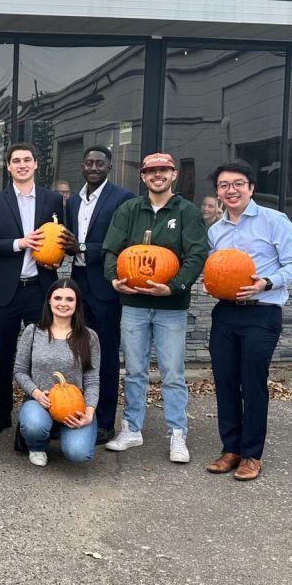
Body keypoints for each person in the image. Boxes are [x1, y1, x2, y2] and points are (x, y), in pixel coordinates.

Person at [102, 153, 208, 463]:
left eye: (163, 170)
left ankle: (177, 433)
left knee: (172, 372)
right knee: (134, 370)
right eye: (151, 171)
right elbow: (112, 249)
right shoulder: (130, 210)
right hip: (133, 304)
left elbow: (196, 255)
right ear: (143, 177)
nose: (157, 175)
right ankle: (132, 428)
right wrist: (113, 279)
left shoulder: (187, 212)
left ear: (173, 174)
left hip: (170, 306)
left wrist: (174, 287)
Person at [206, 161, 292, 481]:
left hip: (262, 311)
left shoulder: (274, 221)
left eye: (238, 184)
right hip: (225, 311)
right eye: (224, 185)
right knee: (224, 381)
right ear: (218, 192)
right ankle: (230, 448)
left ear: (251, 187)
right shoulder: (216, 230)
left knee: (252, 382)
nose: (230, 190)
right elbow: (216, 269)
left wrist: (267, 281)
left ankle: (251, 454)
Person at [0, 142, 67, 434]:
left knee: (44, 354)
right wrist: (21, 243)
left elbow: (63, 239)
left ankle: (48, 412)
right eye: (15, 161)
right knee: (4, 354)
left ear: (35, 164)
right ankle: (1, 413)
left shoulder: (52, 199)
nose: (21, 165)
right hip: (6, 290)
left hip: (40, 289)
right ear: (8, 166)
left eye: (27, 160)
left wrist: (55, 259)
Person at [63, 146, 135, 444]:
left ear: (109, 166)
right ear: (82, 166)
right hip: (78, 283)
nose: (93, 167)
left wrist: (83, 247)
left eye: (99, 163)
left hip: (105, 285)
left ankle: (104, 422)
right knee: (78, 353)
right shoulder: (73, 201)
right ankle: (74, 412)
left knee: (104, 354)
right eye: (89, 162)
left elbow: (123, 243)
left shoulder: (122, 199)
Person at [14, 279, 100, 467]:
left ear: (77, 304)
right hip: (39, 401)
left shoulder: (89, 336)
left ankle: (62, 430)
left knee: (78, 454)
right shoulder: (33, 332)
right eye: (58, 298)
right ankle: (37, 445)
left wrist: (89, 412)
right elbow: (20, 371)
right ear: (49, 302)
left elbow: (92, 380)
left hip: (74, 406)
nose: (63, 303)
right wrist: (35, 392)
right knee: (34, 425)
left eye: (70, 299)